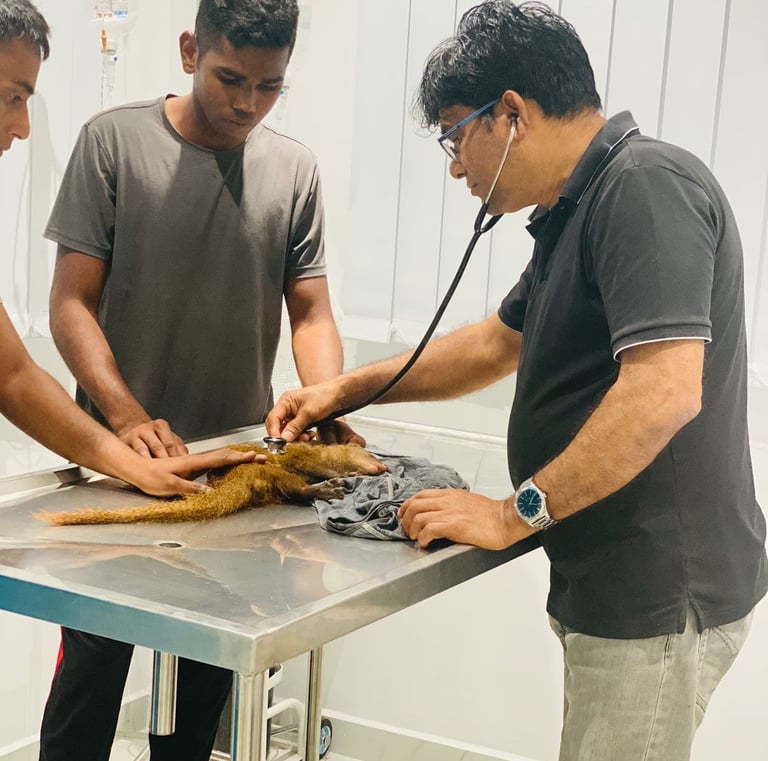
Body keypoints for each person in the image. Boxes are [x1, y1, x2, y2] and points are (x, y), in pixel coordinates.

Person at [266, 1, 768, 759]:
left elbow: (665, 391)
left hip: (657, 593)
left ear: (510, 114)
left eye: (454, 134)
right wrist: (343, 390)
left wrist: (513, 513)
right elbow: (493, 346)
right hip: (612, 581)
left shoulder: (645, 187)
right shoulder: (577, 209)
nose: (455, 164)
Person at [39, 0, 362, 759]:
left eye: (270, 86)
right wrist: (122, 414)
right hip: (120, 476)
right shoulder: (112, 144)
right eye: (231, 79)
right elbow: (70, 305)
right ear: (190, 50)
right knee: (88, 683)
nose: (248, 103)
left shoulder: (294, 170)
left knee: (200, 698)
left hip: (233, 486)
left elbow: (311, 313)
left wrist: (327, 396)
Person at [0, 6, 256, 492]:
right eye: (13, 97)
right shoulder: (110, 141)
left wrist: (132, 463)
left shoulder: (293, 166)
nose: (23, 127)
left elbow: (11, 375)